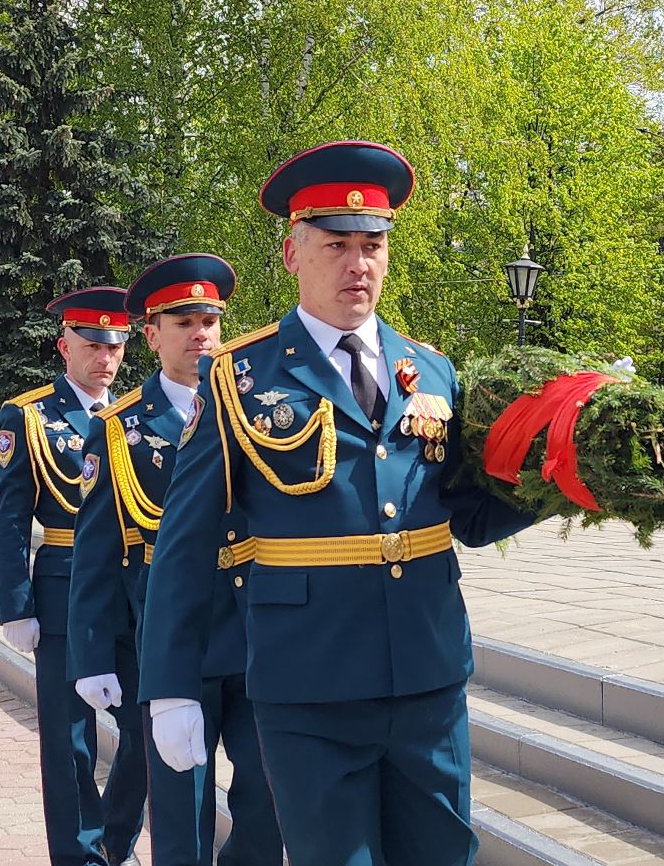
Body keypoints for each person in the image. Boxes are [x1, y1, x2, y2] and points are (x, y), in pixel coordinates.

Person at [141, 141, 542, 864]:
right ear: (293, 255)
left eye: (372, 245)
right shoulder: (238, 378)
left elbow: (469, 516)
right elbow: (183, 545)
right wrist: (169, 687)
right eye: (336, 245)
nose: (358, 264)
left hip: (427, 675)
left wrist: (559, 478)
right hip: (309, 686)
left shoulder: (433, 370)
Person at [71, 254, 283, 864]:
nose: (200, 334)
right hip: (172, 641)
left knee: (266, 797)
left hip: (254, 630)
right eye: (183, 321)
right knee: (179, 805)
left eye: (210, 320)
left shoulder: (259, 407)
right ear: (151, 334)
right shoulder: (120, 429)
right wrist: (89, 654)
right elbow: (95, 554)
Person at [0, 287, 147, 866]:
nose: (105, 357)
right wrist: (14, 603)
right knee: (69, 741)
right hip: (60, 586)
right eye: (92, 344)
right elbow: (10, 516)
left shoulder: (133, 416)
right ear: (65, 346)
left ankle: (113, 837)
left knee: (148, 725)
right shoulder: (29, 416)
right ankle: (78, 855)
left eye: (116, 345)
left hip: (127, 593)